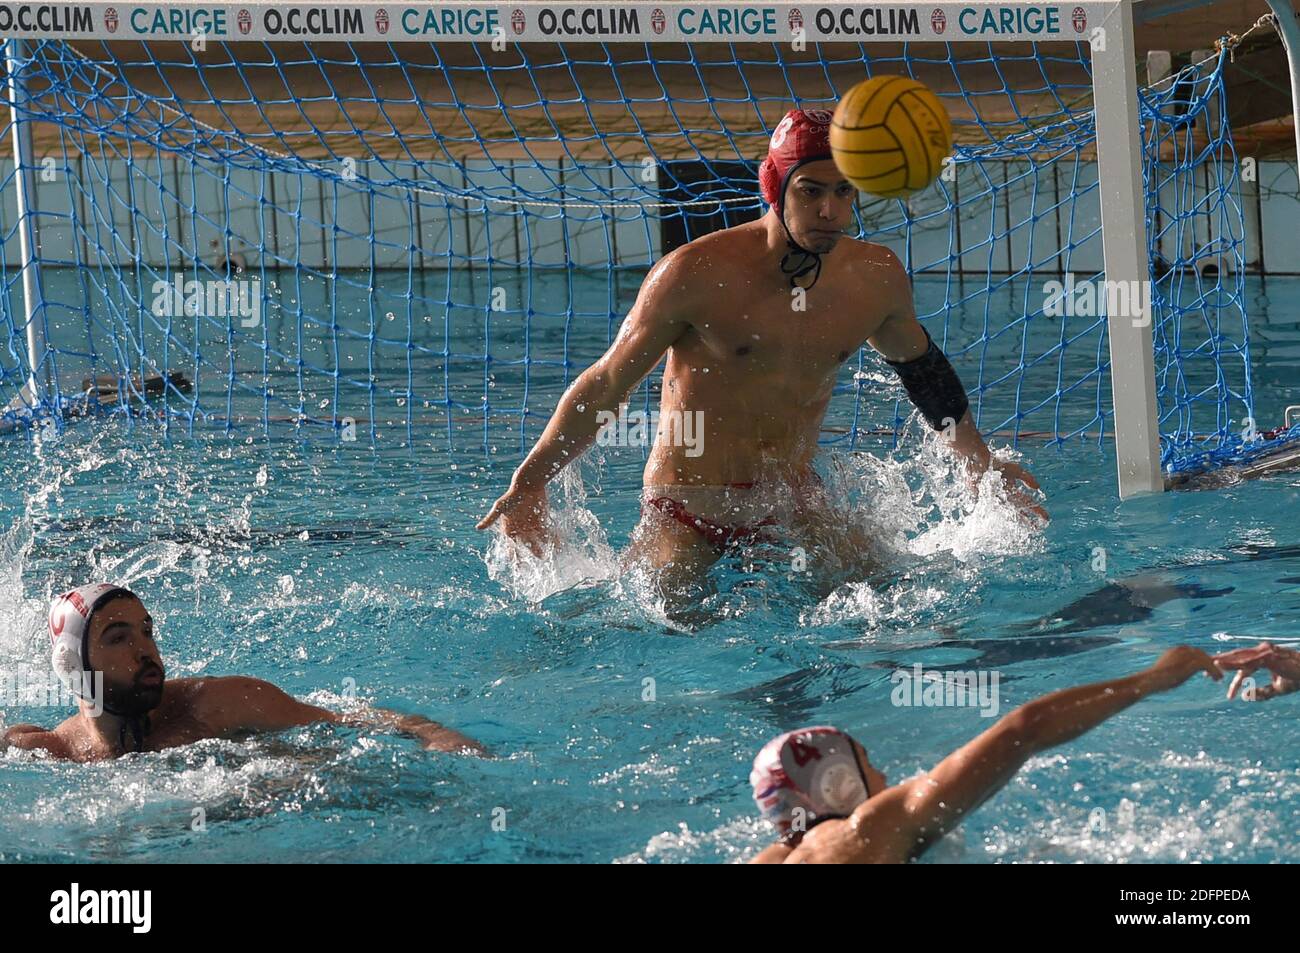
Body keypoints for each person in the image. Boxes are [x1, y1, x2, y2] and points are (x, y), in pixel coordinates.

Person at [478, 108, 1043, 594]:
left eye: (844, 190)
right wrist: (531, 482)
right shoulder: (695, 273)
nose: (831, 211)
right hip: (688, 506)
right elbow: (607, 385)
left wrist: (977, 463)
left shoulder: (874, 277)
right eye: (811, 191)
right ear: (774, 188)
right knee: (660, 622)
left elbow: (922, 370)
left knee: (898, 598)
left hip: (795, 500)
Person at [748, 645, 1221, 863]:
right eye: (867, 762)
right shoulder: (871, 827)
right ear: (839, 783)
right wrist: (1153, 679)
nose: (884, 772)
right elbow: (1024, 728)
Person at [1, 584, 484, 762]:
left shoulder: (220, 702)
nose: (146, 651)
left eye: (146, 632)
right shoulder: (48, 750)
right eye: (119, 638)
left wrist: (431, 732)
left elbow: (345, 719)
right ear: (73, 666)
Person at [1213, 641, 1300, 700]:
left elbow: (1270, 657)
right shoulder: (1280, 685)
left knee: (1268, 653)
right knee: (1268, 653)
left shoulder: (1280, 685)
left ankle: (1222, 662)